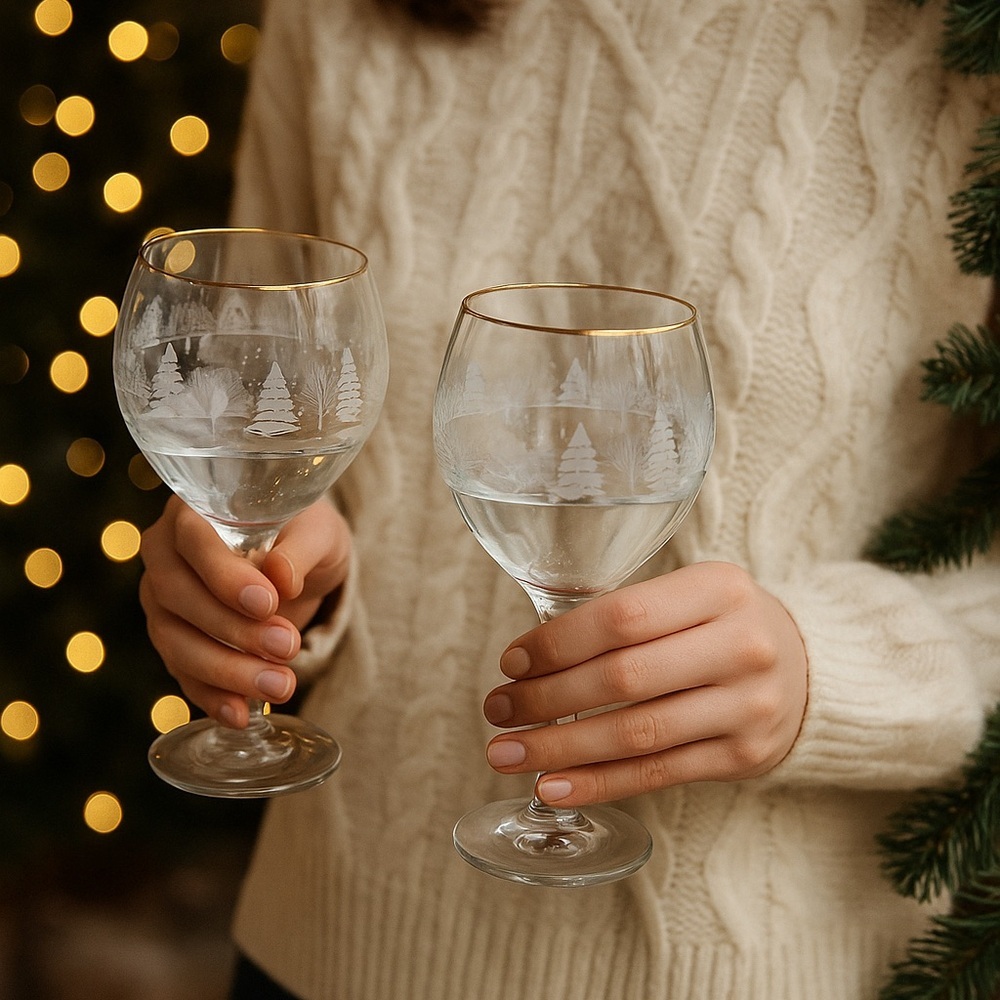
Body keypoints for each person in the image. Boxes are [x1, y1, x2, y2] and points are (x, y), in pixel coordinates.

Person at [136, 1, 1000, 998]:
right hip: (327, 940)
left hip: (763, 971)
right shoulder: (335, 14)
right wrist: (279, 575)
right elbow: (281, 402)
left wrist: (833, 670)